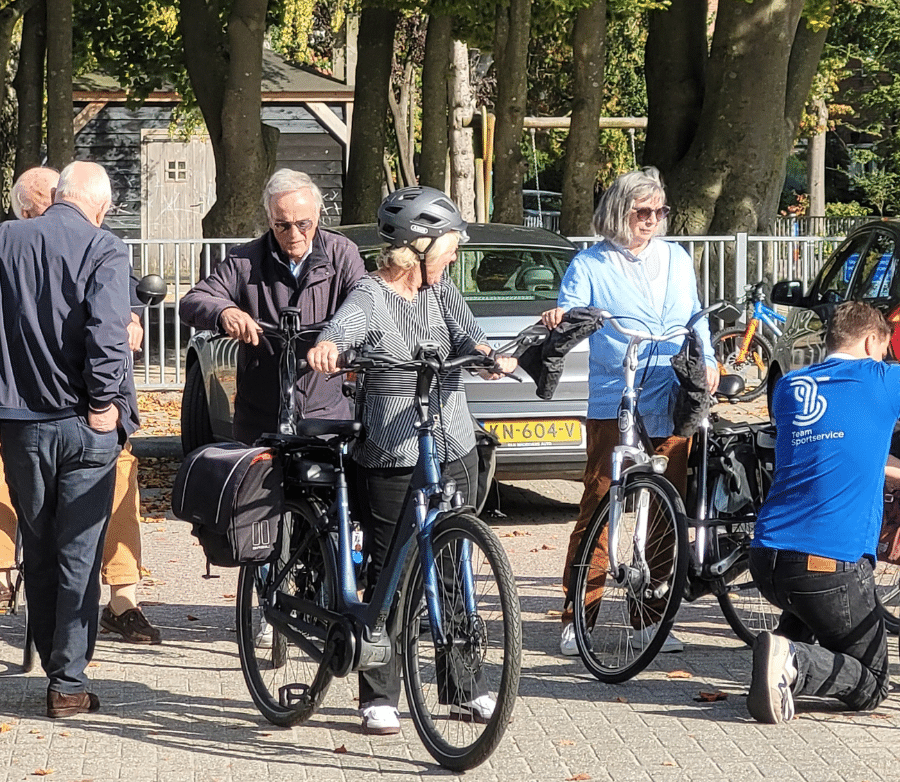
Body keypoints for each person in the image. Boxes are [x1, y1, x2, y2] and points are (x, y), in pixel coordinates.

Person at [308, 186, 515, 736]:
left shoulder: (441, 290)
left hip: (453, 443)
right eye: (449, 246)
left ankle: (462, 687)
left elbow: (471, 338)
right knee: (391, 572)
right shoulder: (371, 294)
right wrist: (329, 349)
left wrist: (490, 358)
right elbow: (341, 331)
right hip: (394, 451)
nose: (455, 255)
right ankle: (379, 694)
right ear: (416, 249)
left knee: (454, 564)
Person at [746, 301, 900, 723]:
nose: (884, 357)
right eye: (883, 349)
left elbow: (845, 451)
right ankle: (794, 661)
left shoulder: (789, 387)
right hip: (828, 564)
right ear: (870, 341)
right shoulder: (886, 378)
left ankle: (779, 650)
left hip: (767, 560)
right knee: (874, 681)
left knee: (814, 608)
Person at [540, 167, 717, 658]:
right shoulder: (590, 263)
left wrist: (709, 359)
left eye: (660, 211)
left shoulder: (676, 258)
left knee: (666, 507)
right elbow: (571, 311)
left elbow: (694, 316)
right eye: (643, 211)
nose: (653, 219)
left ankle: (650, 619)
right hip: (615, 392)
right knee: (601, 502)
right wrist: (561, 317)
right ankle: (579, 618)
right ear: (620, 211)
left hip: (672, 390)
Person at [0, 166, 161, 644]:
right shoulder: (15, 246)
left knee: (121, 476)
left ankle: (123, 596)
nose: (55, 211)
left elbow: (123, 313)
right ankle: (5, 573)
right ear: (25, 212)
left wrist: (131, 322)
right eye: (43, 204)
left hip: (81, 409)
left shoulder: (98, 249)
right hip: (31, 406)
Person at [179, 169, 366, 444]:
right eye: (282, 225)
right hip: (259, 419)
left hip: (325, 417)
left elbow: (364, 304)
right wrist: (225, 312)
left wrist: (336, 340)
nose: (294, 234)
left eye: (303, 224)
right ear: (269, 220)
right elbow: (193, 301)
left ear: (318, 216)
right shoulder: (245, 260)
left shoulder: (342, 254)